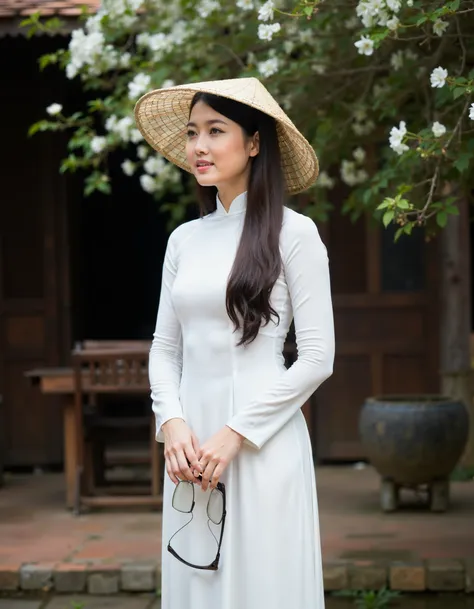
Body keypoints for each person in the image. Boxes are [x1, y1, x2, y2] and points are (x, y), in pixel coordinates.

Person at [134, 77, 335, 609]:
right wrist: (172, 422)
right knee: (197, 580)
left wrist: (235, 434)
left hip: (260, 442)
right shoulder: (184, 240)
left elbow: (317, 357)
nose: (198, 146)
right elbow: (165, 348)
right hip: (190, 451)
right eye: (192, 132)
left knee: (265, 586)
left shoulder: (294, 234)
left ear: (253, 143)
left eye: (216, 131)